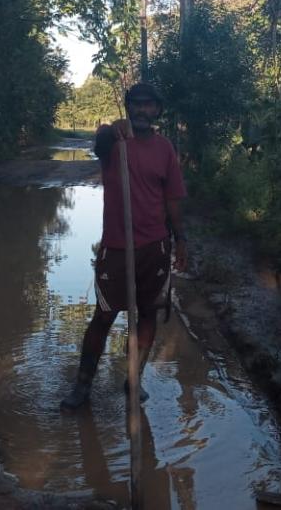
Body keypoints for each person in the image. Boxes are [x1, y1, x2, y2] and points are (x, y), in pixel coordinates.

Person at [60, 82, 188, 410]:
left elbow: (173, 199)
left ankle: (134, 378)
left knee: (148, 314)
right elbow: (101, 140)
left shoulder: (165, 149)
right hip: (117, 247)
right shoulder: (114, 143)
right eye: (136, 104)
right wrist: (110, 130)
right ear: (128, 107)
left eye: (149, 105)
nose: (142, 110)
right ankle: (82, 387)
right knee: (103, 316)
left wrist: (181, 240)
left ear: (157, 110)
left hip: (155, 246)